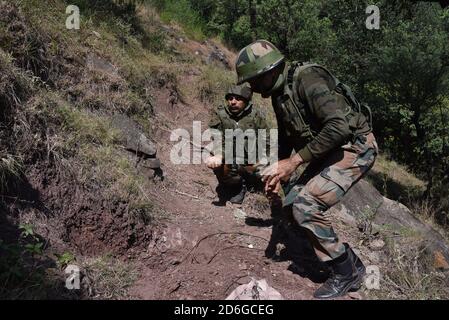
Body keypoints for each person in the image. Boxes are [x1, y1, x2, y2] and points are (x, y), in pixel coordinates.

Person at [234, 40, 378, 299]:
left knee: (306, 204)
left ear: (268, 72)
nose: (251, 88)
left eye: (253, 80)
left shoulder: (306, 79)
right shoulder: (279, 94)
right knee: (291, 202)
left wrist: (295, 162)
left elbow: (339, 127)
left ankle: (345, 274)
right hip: (328, 150)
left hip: (356, 147)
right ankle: (352, 263)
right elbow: (287, 137)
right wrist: (278, 170)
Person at [205, 84, 269, 205]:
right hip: (230, 156)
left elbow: (266, 138)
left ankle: (250, 182)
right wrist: (219, 155)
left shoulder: (255, 116)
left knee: (263, 171)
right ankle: (236, 186)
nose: (233, 102)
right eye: (230, 99)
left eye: (238, 99)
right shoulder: (220, 115)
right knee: (223, 167)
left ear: (246, 101)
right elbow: (217, 138)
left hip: (251, 157)